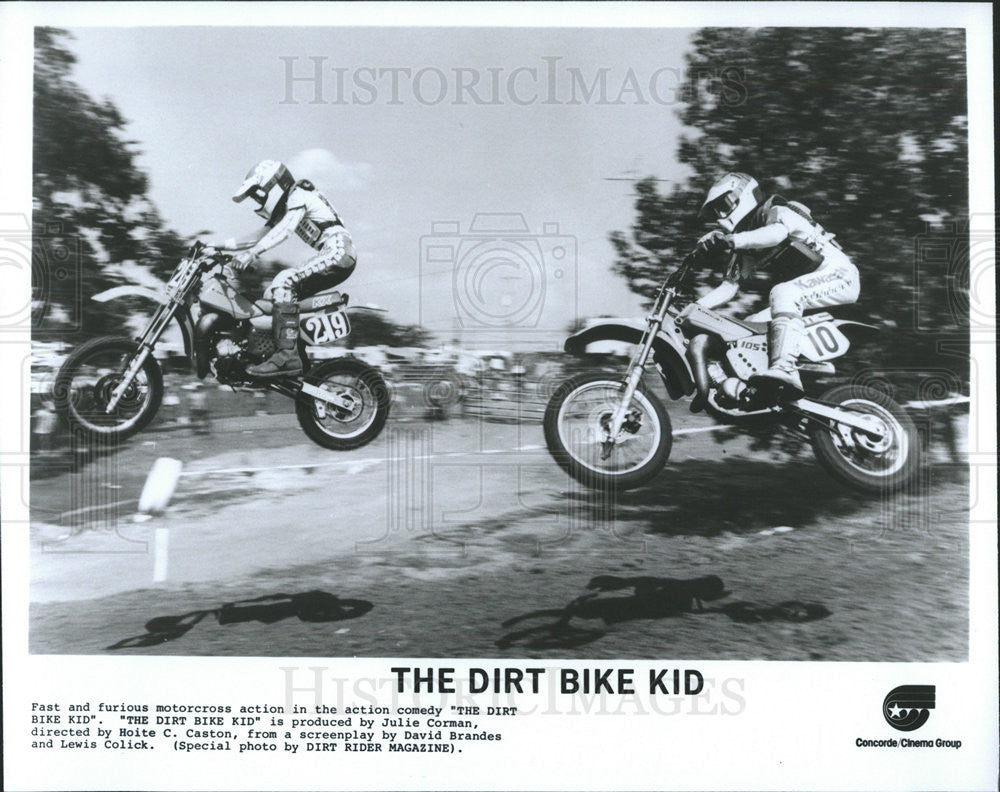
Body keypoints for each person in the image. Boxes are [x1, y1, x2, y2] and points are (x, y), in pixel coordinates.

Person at [692, 172, 859, 393]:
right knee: (750, 327)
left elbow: (776, 234)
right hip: (809, 288)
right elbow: (729, 287)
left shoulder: (778, 209)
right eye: (716, 213)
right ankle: (761, 390)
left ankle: (786, 369)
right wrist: (692, 310)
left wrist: (731, 241)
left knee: (783, 292)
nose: (721, 217)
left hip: (839, 275)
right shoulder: (745, 240)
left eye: (724, 205)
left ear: (744, 194)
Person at [215, 160, 357, 377]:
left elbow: (284, 231)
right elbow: (255, 237)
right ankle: (293, 355)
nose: (256, 199)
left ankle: (287, 358)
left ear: (273, 185)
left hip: (338, 250)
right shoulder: (288, 206)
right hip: (332, 252)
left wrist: (252, 255)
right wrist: (213, 247)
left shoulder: (299, 195)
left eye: (257, 194)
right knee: (277, 293)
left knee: (285, 282)